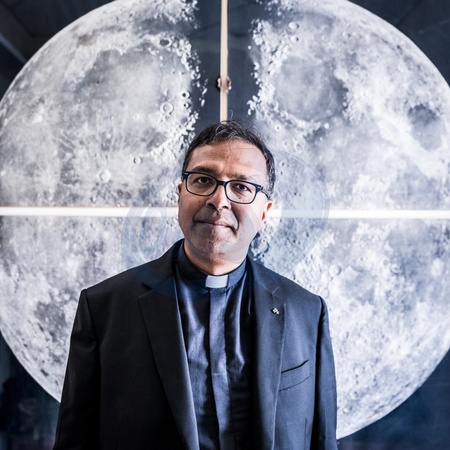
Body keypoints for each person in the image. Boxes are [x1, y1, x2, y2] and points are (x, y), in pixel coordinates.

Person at [53, 120, 337, 450]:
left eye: (242, 187)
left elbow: (322, 441)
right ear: (180, 195)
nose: (219, 200)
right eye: (203, 180)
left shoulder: (307, 313)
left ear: (265, 211)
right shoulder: (104, 309)